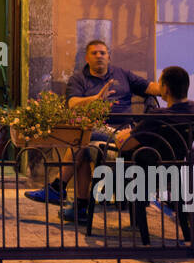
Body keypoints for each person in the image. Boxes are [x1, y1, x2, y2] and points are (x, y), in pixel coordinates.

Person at [25, 39, 162, 223]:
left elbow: (150, 87)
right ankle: (77, 205)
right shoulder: (78, 79)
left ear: (109, 57)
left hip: (123, 134)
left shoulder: (122, 75)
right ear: (86, 58)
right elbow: (72, 104)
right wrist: (96, 98)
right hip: (94, 131)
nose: (99, 56)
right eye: (94, 53)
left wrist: (171, 87)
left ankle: (59, 190)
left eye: (103, 53)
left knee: (81, 138)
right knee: (83, 142)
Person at [62, 64, 194, 223]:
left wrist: (124, 134)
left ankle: (76, 203)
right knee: (88, 135)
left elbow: (124, 145)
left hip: (137, 170)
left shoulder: (157, 117)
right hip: (173, 167)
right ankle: (61, 189)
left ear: (165, 89)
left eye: (160, 83)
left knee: (84, 141)